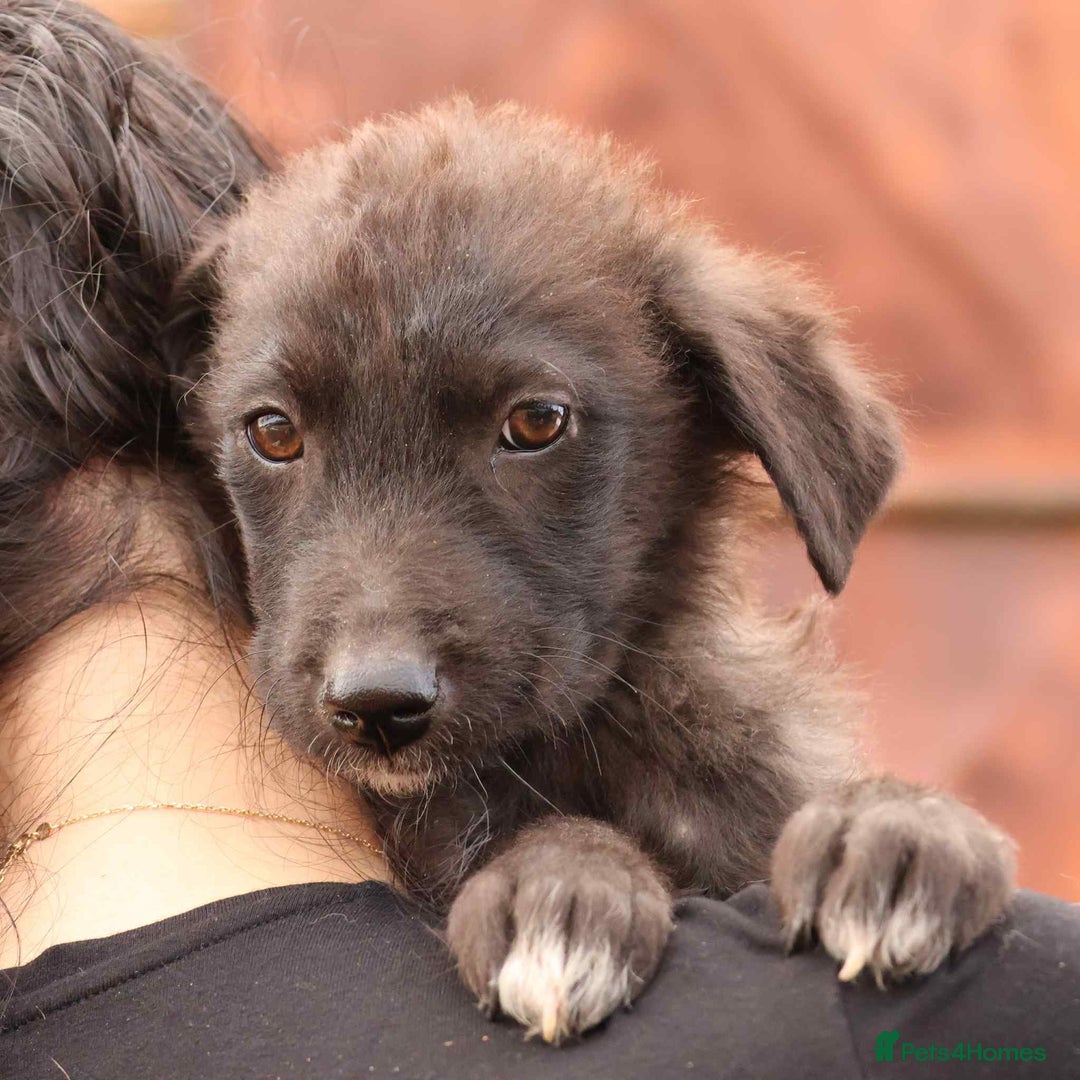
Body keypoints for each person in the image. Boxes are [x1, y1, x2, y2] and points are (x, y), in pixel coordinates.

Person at [0, 3, 1077, 1077]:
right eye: (275, 434)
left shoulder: (750, 789)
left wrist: (888, 828)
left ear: (718, 417)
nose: (371, 654)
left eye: (532, 428)